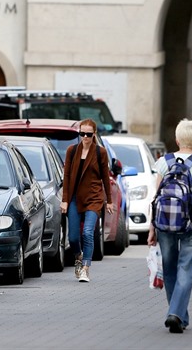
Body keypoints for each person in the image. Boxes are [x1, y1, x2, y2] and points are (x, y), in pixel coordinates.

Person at [148, 118, 192, 334]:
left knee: (170, 269)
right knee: (185, 268)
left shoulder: (163, 162)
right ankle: (176, 315)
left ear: (177, 139)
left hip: (165, 223)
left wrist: (152, 229)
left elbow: (156, 198)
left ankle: (176, 314)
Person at [60, 118, 113, 283]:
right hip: (75, 198)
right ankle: (78, 256)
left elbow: (106, 177)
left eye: (88, 134)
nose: (85, 137)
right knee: (74, 238)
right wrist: (65, 200)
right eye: (82, 134)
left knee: (88, 232)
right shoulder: (72, 150)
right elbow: (67, 176)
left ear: (94, 134)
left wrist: (109, 201)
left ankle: (85, 268)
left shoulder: (100, 152)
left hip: (94, 198)